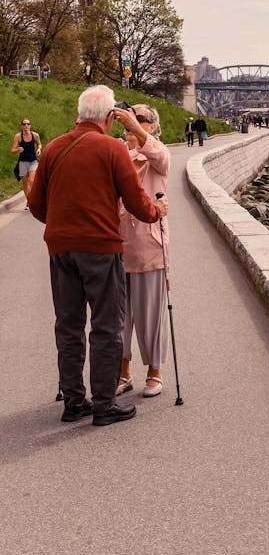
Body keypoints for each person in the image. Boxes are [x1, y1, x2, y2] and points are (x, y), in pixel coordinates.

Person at [28, 85, 168, 427]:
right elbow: (136, 201)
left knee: (69, 324)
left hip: (60, 249)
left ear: (79, 114)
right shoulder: (111, 148)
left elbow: (35, 204)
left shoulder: (54, 149)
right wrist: (157, 211)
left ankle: (74, 401)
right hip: (101, 249)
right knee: (106, 325)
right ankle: (104, 404)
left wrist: (63, 225)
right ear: (108, 117)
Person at [113, 103, 171, 398]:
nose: (131, 124)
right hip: (117, 244)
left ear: (151, 126)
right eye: (128, 119)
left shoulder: (158, 153)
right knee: (118, 316)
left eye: (139, 119)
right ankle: (122, 372)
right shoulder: (118, 153)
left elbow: (159, 156)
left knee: (150, 313)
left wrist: (133, 125)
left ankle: (155, 370)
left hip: (149, 246)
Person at [11, 118, 42, 209]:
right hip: (23, 162)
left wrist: (39, 149)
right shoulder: (18, 136)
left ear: (30, 126)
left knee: (31, 181)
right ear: (21, 126)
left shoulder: (35, 135)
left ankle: (33, 200)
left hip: (33, 161)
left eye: (28, 124)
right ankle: (29, 202)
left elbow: (39, 144)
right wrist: (18, 149)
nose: (26, 126)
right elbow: (12, 150)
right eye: (24, 124)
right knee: (25, 184)